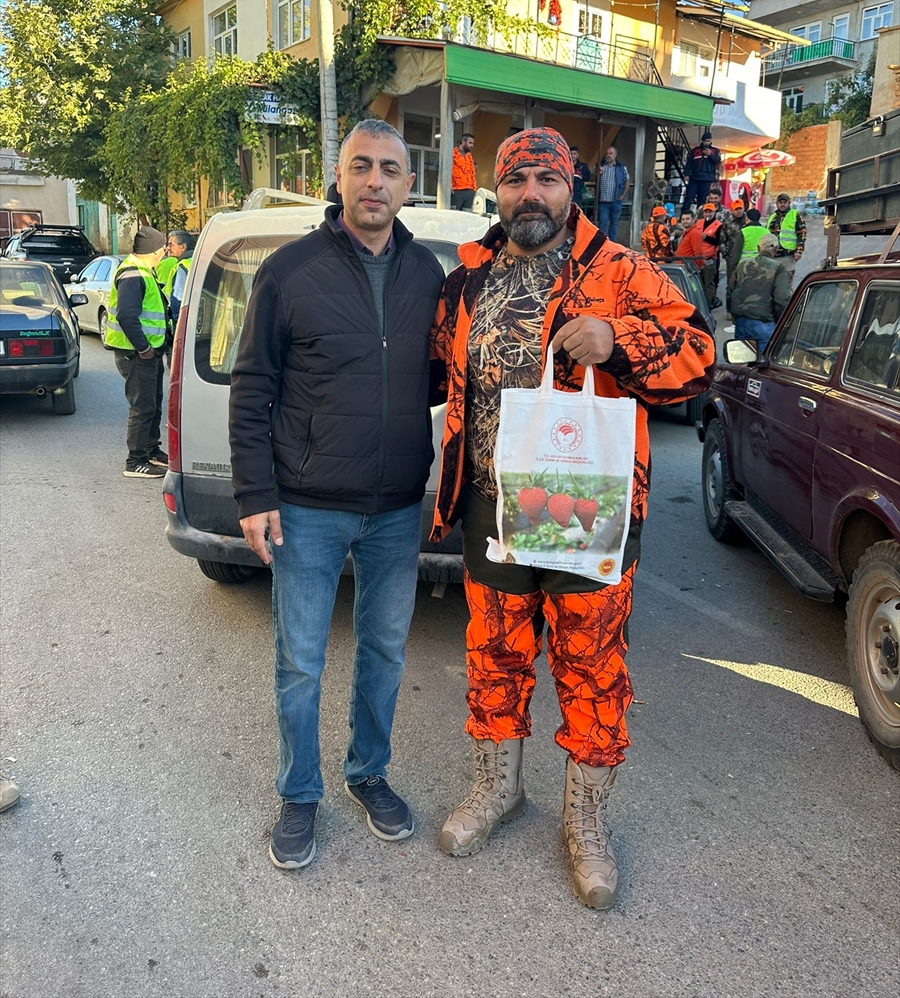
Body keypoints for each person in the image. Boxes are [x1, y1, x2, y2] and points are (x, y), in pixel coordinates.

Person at [429, 126, 715, 910]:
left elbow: (699, 353)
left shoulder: (621, 270)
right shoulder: (469, 277)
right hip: (492, 505)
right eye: (516, 180)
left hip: (590, 509)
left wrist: (617, 339)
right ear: (497, 189)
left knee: (591, 668)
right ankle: (499, 789)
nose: (531, 195)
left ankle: (586, 825)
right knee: (493, 653)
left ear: (572, 189)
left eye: (546, 181)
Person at [229, 119, 444, 872]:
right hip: (308, 507)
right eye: (362, 166)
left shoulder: (428, 277)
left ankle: (368, 773)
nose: (376, 181)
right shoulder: (288, 271)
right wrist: (254, 493)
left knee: (384, 652)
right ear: (338, 176)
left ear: (408, 184)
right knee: (302, 661)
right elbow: (253, 387)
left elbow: (447, 382)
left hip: (394, 509)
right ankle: (298, 793)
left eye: (390, 168)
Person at [104, 226, 171, 479]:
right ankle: (136, 461)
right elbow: (126, 315)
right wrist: (143, 348)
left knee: (151, 405)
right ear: (156, 250)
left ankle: (151, 450)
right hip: (136, 354)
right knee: (142, 407)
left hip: (147, 352)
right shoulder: (133, 273)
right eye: (164, 247)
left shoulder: (143, 269)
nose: (166, 251)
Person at [730, 233, 792, 352]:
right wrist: (781, 321)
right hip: (764, 323)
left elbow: (730, 292)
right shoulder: (778, 267)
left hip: (741, 322)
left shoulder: (742, 265)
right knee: (762, 365)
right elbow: (782, 298)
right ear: (776, 249)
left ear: (758, 248)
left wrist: (735, 317)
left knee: (741, 362)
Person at [675, 201, 721, 306]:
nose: (685, 221)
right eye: (683, 219)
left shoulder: (696, 232)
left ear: (693, 220)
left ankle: (705, 306)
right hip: (689, 264)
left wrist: (698, 266)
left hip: (700, 262)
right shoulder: (692, 229)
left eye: (687, 219)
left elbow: (698, 252)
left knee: (701, 286)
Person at [595, 145, 631, 242]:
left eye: (611, 153)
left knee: (614, 223)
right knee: (602, 223)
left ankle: (612, 243)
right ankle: (602, 243)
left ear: (615, 155)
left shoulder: (621, 167)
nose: (608, 155)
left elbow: (627, 181)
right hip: (603, 201)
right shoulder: (600, 165)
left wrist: (623, 195)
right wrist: (598, 173)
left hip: (616, 200)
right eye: (607, 153)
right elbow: (591, 178)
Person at [720, 198, 748, 313]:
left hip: (747, 257)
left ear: (744, 208)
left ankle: (745, 309)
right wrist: (725, 255)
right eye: (736, 209)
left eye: (740, 208)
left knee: (747, 284)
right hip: (732, 258)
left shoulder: (749, 221)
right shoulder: (727, 222)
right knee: (731, 284)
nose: (738, 211)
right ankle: (730, 310)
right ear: (732, 210)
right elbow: (722, 240)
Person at [683, 132, 721, 214]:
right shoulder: (695, 150)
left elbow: (717, 161)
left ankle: (700, 216)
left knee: (703, 199)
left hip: (707, 178)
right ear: (702, 141)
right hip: (694, 178)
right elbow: (689, 163)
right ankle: (683, 216)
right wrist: (686, 174)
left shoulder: (715, 151)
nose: (706, 143)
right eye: (705, 141)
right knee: (689, 197)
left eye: (708, 141)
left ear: (711, 140)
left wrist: (710, 155)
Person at [767, 192, 806, 271]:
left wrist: (799, 251)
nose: (782, 204)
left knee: (786, 280)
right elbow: (766, 234)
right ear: (777, 203)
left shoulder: (795, 215)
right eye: (780, 202)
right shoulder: (772, 216)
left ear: (789, 203)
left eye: (785, 202)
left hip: (788, 255)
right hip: (772, 255)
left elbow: (802, 233)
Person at [165, 229, 194, 324]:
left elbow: (177, 300)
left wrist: (178, 323)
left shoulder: (182, 267)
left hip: (183, 322)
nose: (168, 248)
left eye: (171, 245)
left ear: (183, 247)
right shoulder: (196, 261)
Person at [451, 132, 477, 211]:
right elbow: (442, 170)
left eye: (472, 143)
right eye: (470, 143)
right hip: (456, 191)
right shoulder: (452, 153)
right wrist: (448, 185)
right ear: (463, 142)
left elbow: (472, 173)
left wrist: (474, 189)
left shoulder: (469, 156)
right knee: (454, 216)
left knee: (467, 217)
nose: (472, 146)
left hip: (470, 191)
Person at [569, 145, 591, 213]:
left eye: (574, 153)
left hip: (577, 192)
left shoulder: (583, 166)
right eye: (571, 153)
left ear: (578, 155)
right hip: (566, 192)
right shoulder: (565, 165)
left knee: (577, 213)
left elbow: (587, 177)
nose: (572, 155)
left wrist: (580, 176)